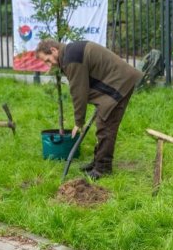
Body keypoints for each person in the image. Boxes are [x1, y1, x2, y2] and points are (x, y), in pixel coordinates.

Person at [35, 40, 143, 179]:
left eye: (48, 60)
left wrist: (78, 122)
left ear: (54, 50)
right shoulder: (70, 53)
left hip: (119, 83)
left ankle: (103, 168)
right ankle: (97, 161)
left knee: (106, 127)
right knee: (103, 124)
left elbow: (79, 92)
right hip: (115, 81)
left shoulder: (71, 59)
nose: (49, 64)